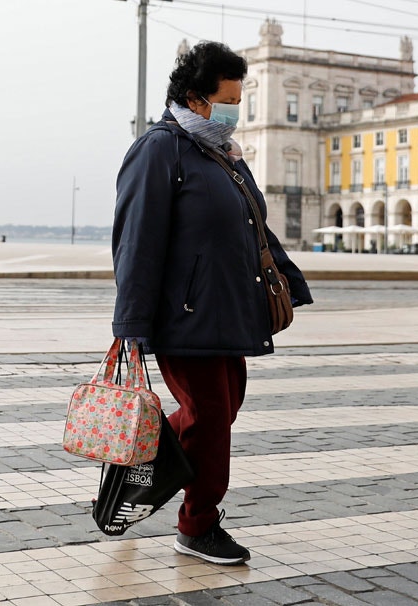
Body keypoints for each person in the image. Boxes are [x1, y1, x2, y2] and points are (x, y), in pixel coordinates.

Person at [112, 41, 312, 566]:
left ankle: (141, 472)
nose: (235, 110)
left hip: (230, 312)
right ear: (197, 99)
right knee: (212, 418)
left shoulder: (221, 154)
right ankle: (197, 526)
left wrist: (288, 279)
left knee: (219, 415)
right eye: (228, 99)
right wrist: (131, 323)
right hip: (186, 317)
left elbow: (253, 228)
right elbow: (137, 239)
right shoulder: (160, 149)